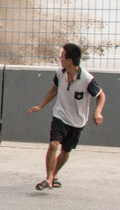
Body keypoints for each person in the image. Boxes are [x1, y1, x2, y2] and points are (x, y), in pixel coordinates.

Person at [25, 43, 106, 190]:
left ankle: (55, 174)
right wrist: (41, 106)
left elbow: (101, 95)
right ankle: (49, 178)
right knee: (53, 145)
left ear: (70, 60)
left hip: (78, 121)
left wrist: (97, 111)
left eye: (62, 56)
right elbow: (54, 89)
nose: (60, 58)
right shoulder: (59, 73)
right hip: (60, 115)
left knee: (66, 151)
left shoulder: (87, 79)